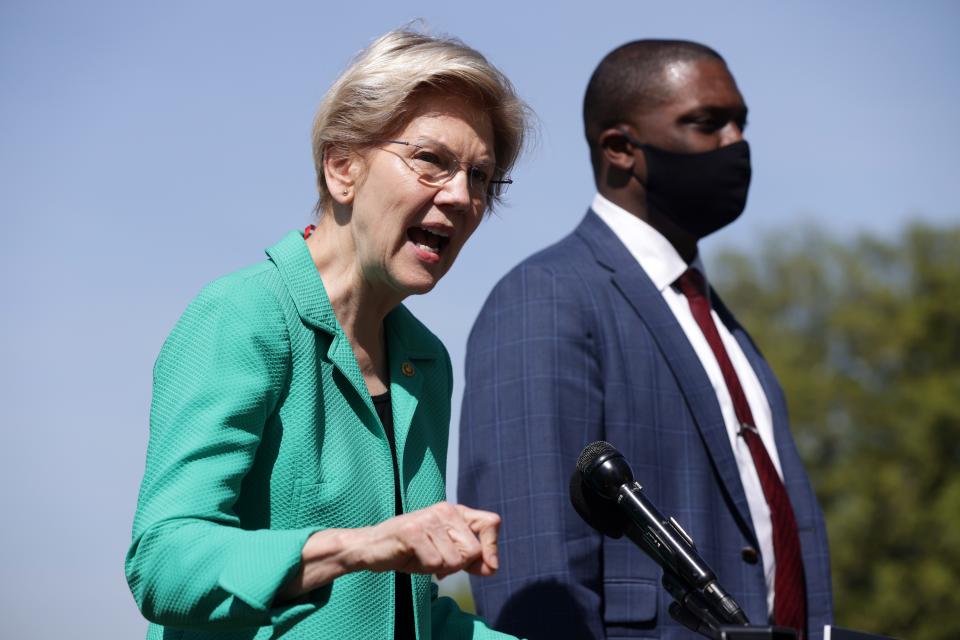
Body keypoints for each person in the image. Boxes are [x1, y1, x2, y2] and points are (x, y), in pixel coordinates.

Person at [126, 28, 530, 640]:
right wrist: (359, 546)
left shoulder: (427, 363)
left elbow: (400, 614)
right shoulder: (242, 315)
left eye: (481, 177)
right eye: (431, 161)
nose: (461, 196)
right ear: (342, 166)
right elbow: (162, 563)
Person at [459, 40, 833, 639]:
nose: (736, 142)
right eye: (707, 123)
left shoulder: (719, 323)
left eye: (741, 123)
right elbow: (535, 568)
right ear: (620, 149)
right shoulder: (547, 297)